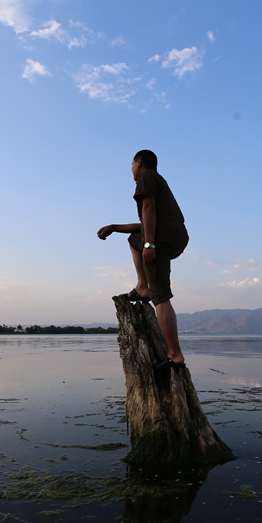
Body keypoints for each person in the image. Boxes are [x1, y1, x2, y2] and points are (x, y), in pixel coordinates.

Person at [97, 150, 189, 369]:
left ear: (139, 162)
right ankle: (142, 287)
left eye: (132, 164)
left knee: (161, 296)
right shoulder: (158, 180)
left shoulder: (146, 177)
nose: (132, 169)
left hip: (162, 240)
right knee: (133, 239)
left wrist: (149, 244)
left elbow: (148, 209)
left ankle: (175, 355)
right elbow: (146, 224)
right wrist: (114, 227)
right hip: (171, 236)